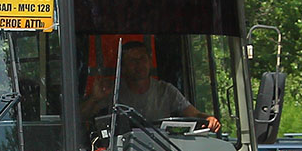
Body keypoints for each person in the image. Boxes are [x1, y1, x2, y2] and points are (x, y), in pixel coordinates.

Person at [82, 40, 221, 131]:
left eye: (142, 58)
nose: (139, 64)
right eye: (132, 60)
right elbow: (80, 118)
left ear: (150, 61)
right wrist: (94, 98)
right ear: (122, 67)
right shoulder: (113, 91)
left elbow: (194, 114)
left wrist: (208, 119)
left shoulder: (166, 91)